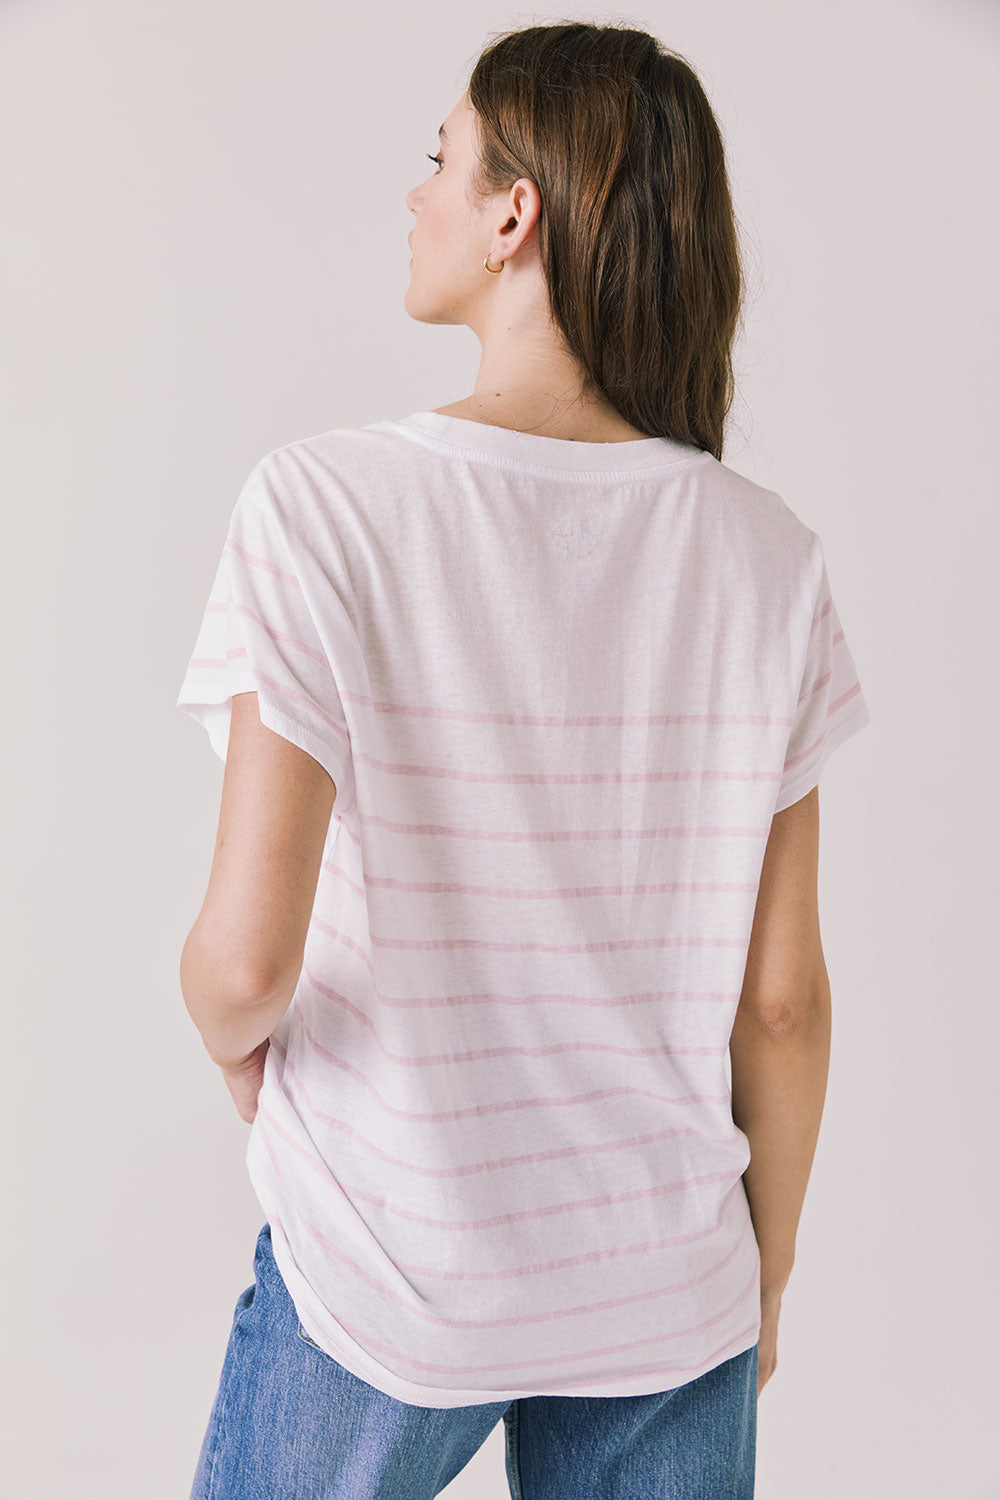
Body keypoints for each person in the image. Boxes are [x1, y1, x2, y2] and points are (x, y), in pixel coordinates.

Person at [177, 21, 870, 1500]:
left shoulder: (324, 509)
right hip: (662, 1279)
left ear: (515, 214)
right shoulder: (768, 561)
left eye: (440, 160)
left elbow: (243, 964)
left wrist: (235, 1032)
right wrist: (770, 1263)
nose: (417, 194)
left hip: (389, 1261)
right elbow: (785, 999)